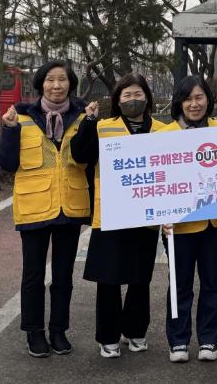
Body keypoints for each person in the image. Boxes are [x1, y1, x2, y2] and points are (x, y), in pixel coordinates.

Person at [0, 60, 90, 358]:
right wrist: (9, 130)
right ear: (41, 84)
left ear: (70, 84)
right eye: (50, 80)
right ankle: (34, 332)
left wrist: (90, 124)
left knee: (63, 276)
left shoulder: (83, 117)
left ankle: (58, 331)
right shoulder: (21, 117)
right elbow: (8, 164)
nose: (56, 85)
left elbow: (90, 159)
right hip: (34, 207)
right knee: (33, 275)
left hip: (70, 207)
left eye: (62, 79)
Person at [70, 73, 165, 358]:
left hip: (147, 215)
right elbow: (80, 155)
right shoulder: (102, 127)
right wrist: (88, 121)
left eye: (138, 94)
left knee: (140, 277)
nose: (133, 100)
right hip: (110, 213)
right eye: (127, 95)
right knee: (109, 278)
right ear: (117, 100)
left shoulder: (163, 130)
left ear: (147, 97)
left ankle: (135, 331)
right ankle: (108, 336)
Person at [161, 75, 217, 363]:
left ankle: (209, 338)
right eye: (188, 99)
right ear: (179, 102)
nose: (194, 104)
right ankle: (178, 340)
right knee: (179, 283)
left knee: (212, 281)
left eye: (199, 97)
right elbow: (155, 183)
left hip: (213, 222)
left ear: (208, 99)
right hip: (177, 225)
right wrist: (159, 217)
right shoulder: (164, 134)